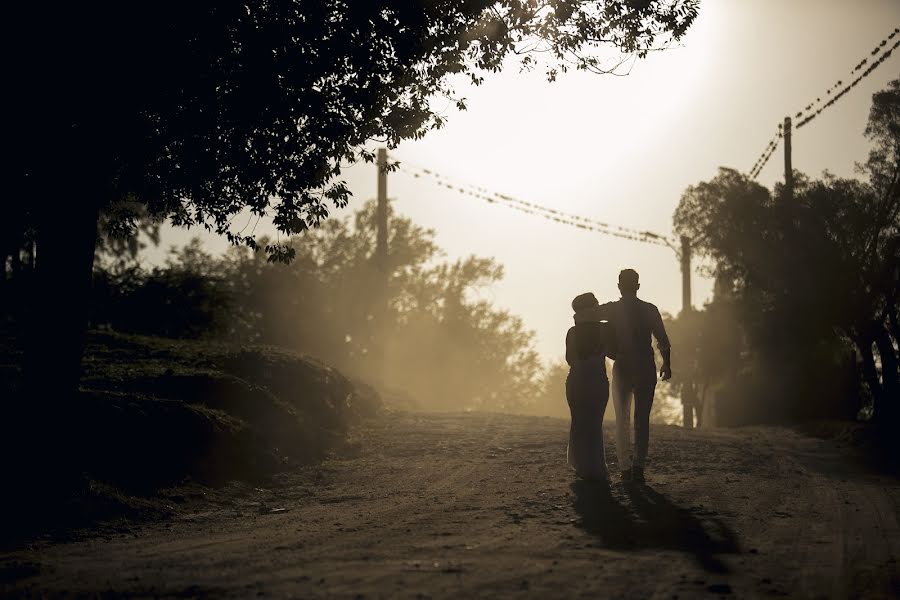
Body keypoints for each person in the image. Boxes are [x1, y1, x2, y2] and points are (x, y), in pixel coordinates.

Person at [594, 269, 671, 484]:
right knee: (642, 419)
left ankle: (625, 468)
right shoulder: (650, 310)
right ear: (638, 286)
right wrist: (667, 363)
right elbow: (662, 340)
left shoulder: (613, 309)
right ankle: (638, 467)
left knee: (622, 419)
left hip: (623, 363)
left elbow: (588, 315)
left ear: (619, 286)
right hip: (645, 365)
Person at [564, 292, 615, 482]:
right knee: (594, 424)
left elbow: (570, 360)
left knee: (578, 422)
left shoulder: (573, 332)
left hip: (576, 379)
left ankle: (581, 465)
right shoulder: (604, 330)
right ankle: (595, 468)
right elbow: (613, 353)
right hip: (597, 380)